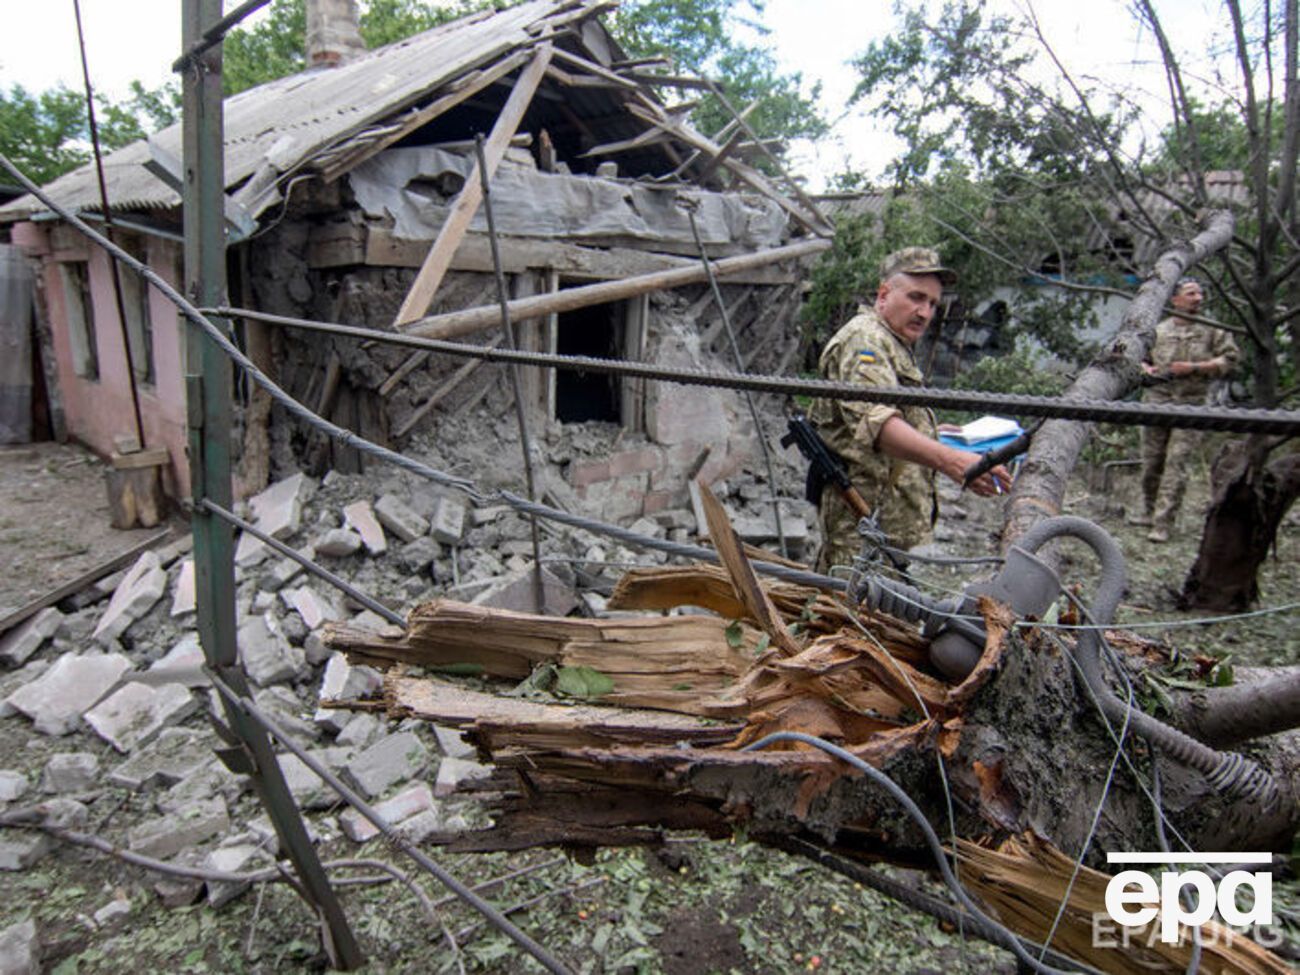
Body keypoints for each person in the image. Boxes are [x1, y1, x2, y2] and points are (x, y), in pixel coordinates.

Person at [809, 247, 1011, 573]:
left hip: (885, 524)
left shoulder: (891, 341)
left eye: (932, 303)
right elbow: (878, 423)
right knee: (845, 618)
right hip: (862, 523)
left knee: (875, 616)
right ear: (884, 293)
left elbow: (886, 413)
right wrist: (955, 462)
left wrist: (938, 435)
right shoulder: (866, 340)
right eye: (916, 297)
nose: (925, 312)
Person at [1130, 277, 1239, 543]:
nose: (1198, 298)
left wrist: (1196, 368)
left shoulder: (1213, 329)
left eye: (1200, 293)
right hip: (1157, 401)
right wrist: (1146, 369)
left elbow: (1231, 359)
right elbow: (1140, 359)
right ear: (1175, 299)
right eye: (1191, 293)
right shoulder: (1160, 330)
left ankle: (1163, 522)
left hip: (1191, 403)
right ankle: (1146, 510)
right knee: (1152, 460)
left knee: (1176, 462)